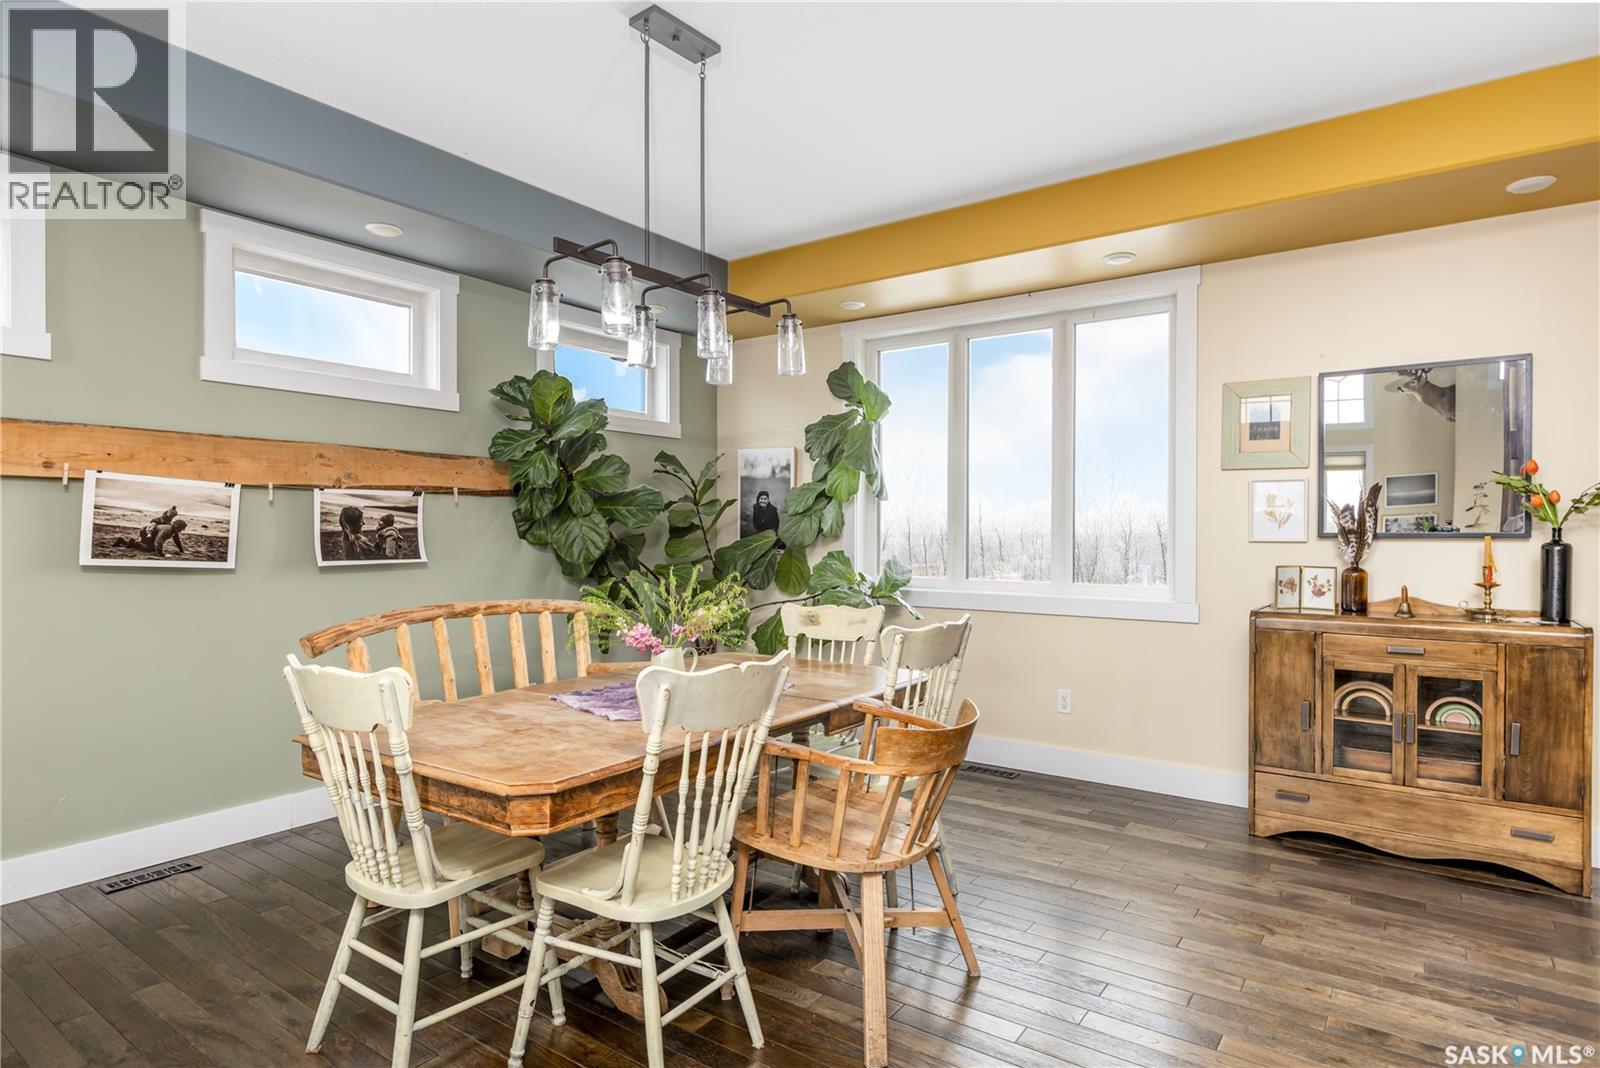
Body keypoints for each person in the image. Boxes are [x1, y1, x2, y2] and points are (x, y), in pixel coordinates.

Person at [121, 517, 187, 556]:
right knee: (150, 549)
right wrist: (161, 554)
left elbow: (177, 541)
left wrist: (181, 551)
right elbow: (158, 541)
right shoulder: (167, 530)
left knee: (145, 547)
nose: (182, 530)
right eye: (182, 528)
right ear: (177, 527)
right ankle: (134, 541)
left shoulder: (174, 531)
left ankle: (122, 541)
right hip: (146, 532)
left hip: (152, 535)